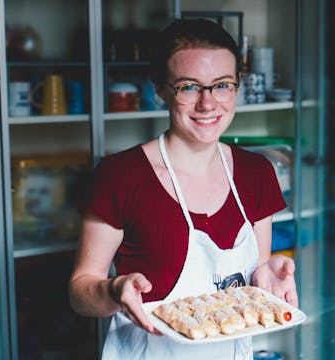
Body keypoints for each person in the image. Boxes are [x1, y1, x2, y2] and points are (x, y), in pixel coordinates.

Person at [69, 18, 297, 360]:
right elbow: (80, 291)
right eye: (189, 87)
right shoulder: (120, 176)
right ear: (161, 89)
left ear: (237, 86)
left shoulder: (257, 173)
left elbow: (255, 272)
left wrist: (268, 278)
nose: (208, 104)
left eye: (222, 85)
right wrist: (114, 290)